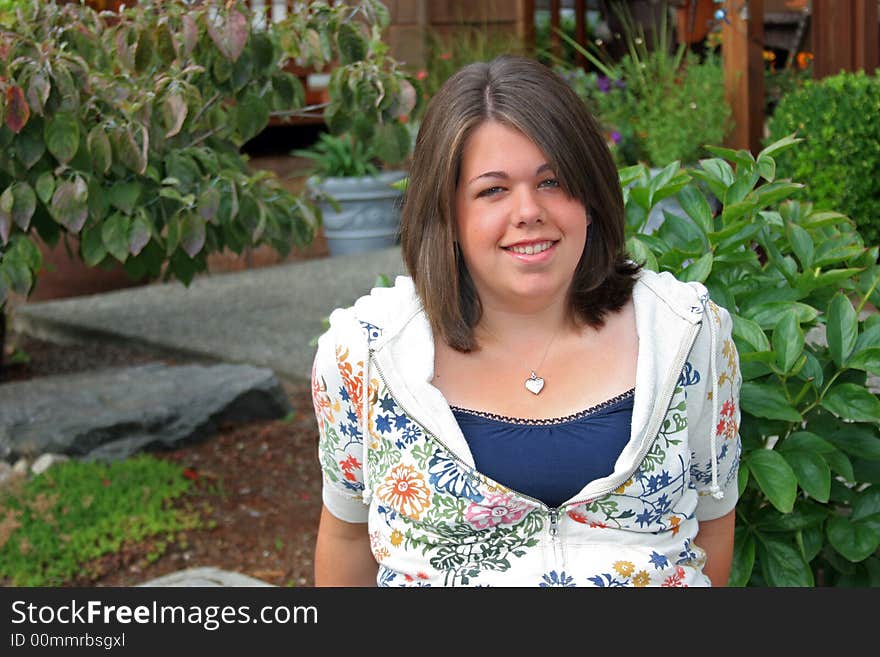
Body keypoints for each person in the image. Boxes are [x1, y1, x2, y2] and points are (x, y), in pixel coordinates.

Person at [310, 55, 741, 587]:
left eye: (553, 181)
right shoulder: (365, 353)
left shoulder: (688, 332)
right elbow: (347, 534)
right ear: (446, 214)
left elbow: (714, 524)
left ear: (590, 195)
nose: (528, 210)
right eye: (493, 190)